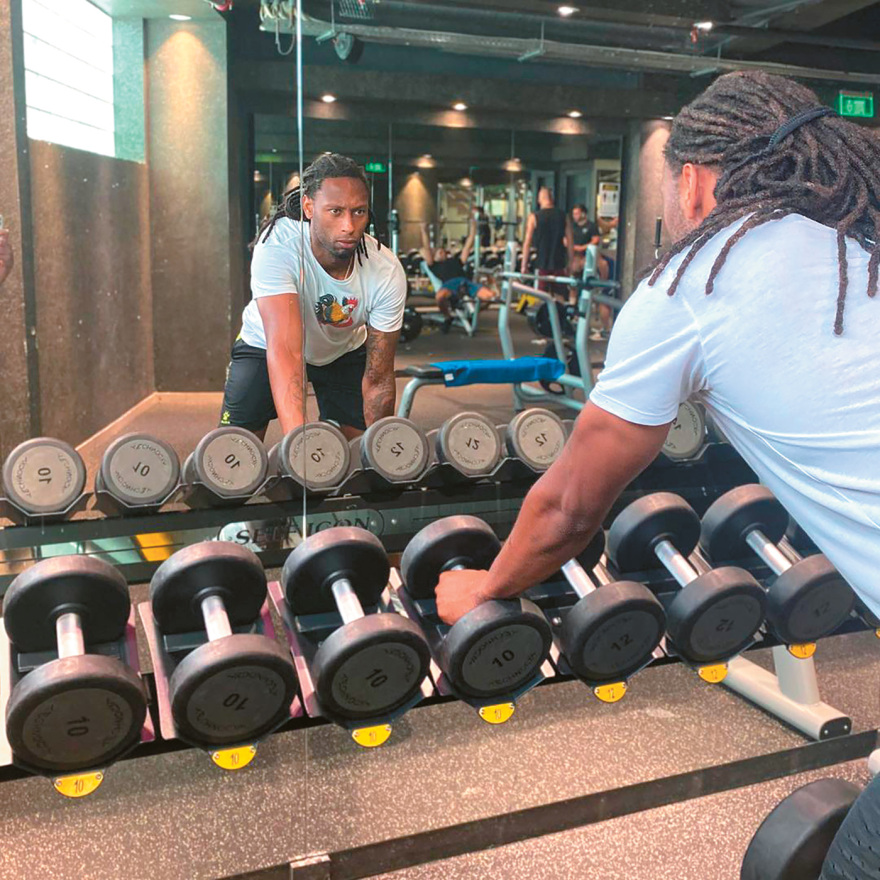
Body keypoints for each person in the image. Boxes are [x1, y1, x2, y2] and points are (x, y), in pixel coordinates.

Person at [435, 69, 880, 627]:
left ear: (691, 184)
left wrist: (485, 588)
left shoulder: (694, 283)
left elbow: (569, 508)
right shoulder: (860, 246)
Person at [220, 153, 406, 440]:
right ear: (308, 207)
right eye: (335, 211)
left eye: (359, 212)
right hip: (265, 345)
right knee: (237, 448)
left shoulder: (385, 269)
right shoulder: (278, 246)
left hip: (341, 350)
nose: (349, 225)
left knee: (362, 446)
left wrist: (381, 447)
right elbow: (286, 352)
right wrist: (300, 445)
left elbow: (379, 377)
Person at [418, 219, 494, 333]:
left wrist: (473, 228)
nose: (442, 252)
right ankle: (448, 317)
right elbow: (427, 247)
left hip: (465, 283)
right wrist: (424, 230)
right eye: (439, 252)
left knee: (491, 297)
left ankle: (474, 313)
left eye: (443, 251)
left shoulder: (456, 261)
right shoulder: (434, 265)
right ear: (434, 256)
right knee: (439, 298)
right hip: (449, 285)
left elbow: (467, 247)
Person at [521, 186, 573, 302]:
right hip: (559, 261)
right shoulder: (563, 216)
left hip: (542, 262)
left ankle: (541, 317)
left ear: (540, 199)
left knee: (540, 294)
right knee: (560, 294)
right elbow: (570, 241)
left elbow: (527, 242)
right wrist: (570, 262)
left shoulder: (534, 217)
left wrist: (524, 264)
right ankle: (559, 317)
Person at [570, 203, 612, 332]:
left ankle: (605, 329)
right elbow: (566, 239)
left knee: (595, 296)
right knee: (574, 288)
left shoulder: (591, 226)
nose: (575, 216)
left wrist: (583, 248)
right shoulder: (572, 227)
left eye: (577, 213)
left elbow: (595, 240)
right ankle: (573, 314)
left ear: (583, 213)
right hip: (577, 260)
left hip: (589, 260)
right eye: (574, 214)